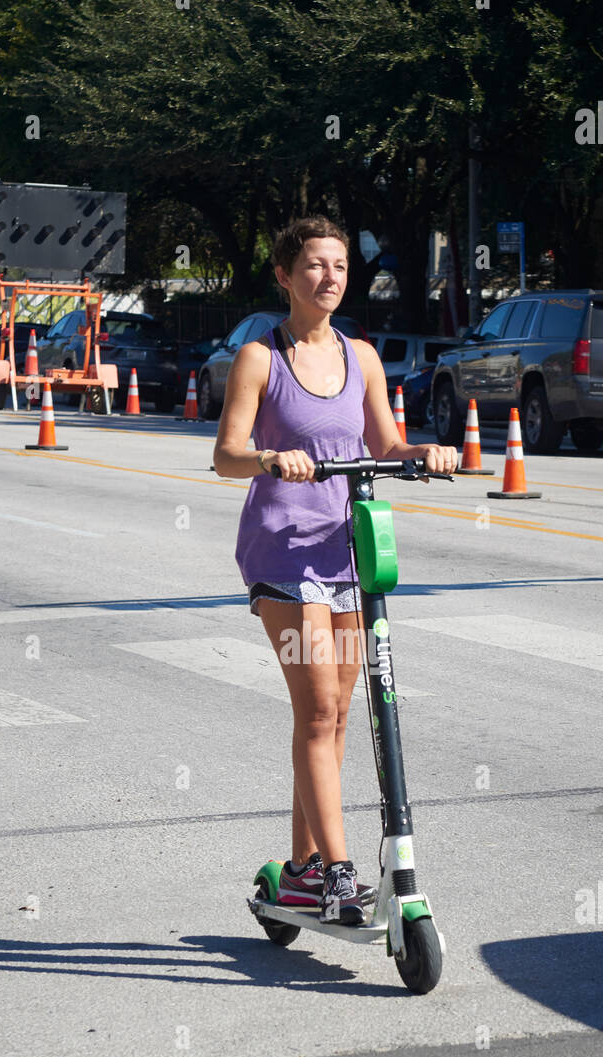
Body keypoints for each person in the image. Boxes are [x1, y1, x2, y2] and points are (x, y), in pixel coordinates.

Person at [213, 216, 457, 923]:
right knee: (318, 709)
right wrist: (268, 457)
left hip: (347, 549)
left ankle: (298, 872)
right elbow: (226, 454)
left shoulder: (364, 357)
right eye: (315, 266)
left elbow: (386, 442)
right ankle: (341, 872)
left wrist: (424, 455)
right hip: (284, 551)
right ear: (286, 277)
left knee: (338, 714)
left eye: (340, 267)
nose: (329, 277)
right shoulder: (262, 358)